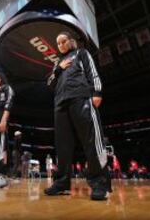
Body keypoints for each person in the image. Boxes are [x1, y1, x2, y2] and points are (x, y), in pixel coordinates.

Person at [45, 31, 109, 201]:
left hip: (81, 97)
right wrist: (59, 69)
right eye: (58, 43)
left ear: (71, 41)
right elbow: (50, 83)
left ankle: (99, 183)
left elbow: (92, 72)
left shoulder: (81, 53)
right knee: (62, 145)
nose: (61, 45)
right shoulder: (57, 63)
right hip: (60, 103)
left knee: (91, 140)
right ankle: (61, 183)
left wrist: (97, 92)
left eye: (63, 41)